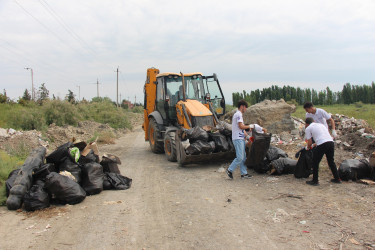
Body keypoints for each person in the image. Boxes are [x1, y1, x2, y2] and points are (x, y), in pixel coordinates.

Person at [304, 117, 341, 186]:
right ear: (313, 121)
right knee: (331, 161)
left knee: (315, 162)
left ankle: (315, 181)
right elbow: (322, 138)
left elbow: (309, 142)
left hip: (322, 144)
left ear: (306, 124)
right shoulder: (321, 125)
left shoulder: (308, 128)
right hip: (330, 142)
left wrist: (308, 147)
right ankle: (337, 178)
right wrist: (313, 145)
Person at [226, 100, 252, 179]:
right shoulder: (238, 114)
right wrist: (249, 126)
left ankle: (244, 174)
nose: (246, 109)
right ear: (242, 106)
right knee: (240, 157)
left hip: (240, 138)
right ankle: (230, 170)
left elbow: (242, 129)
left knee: (243, 157)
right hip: (237, 138)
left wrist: (248, 137)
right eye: (245, 107)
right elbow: (241, 126)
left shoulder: (238, 115)